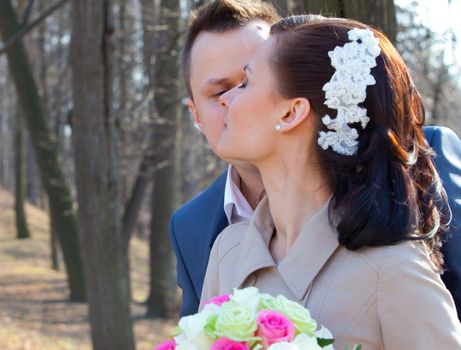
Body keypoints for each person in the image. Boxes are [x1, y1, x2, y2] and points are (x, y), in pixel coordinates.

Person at [171, 0, 461, 318]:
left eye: (248, 81)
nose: (233, 101)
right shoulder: (206, 238)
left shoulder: (397, 256)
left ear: (295, 104)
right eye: (218, 92)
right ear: (195, 115)